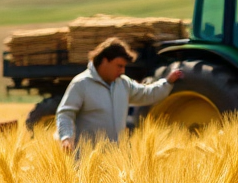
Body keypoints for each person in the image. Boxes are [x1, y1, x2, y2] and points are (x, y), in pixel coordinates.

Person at [55, 38, 184, 152]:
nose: (122, 70)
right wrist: (66, 137)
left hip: (115, 161)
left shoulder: (123, 83)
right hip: (86, 162)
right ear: (105, 61)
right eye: (119, 66)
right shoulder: (81, 84)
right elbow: (65, 114)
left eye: (124, 66)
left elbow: (146, 94)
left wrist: (167, 82)